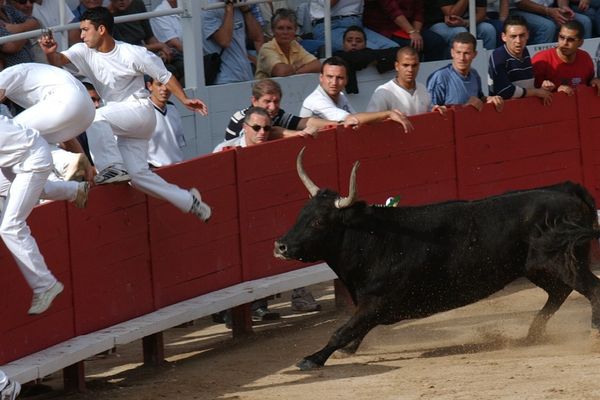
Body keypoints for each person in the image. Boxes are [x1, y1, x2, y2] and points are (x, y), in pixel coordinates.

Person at [40, 6, 212, 222]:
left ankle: (112, 168)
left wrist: (184, 99)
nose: (81, 35)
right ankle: (189, 201)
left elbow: (164, 75)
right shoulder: (82, 51)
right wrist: (49, 54)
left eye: (85, 30)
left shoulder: (132, 52)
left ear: (101, 29)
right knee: (139, 177)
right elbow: (58, 61)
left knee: (95, 117)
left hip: (141, 112)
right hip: (123, 121)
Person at [215, 106, 283, 321]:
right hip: (232, 216)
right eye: (256, 128)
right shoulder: (225, 149)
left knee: (261, 255)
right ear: (244, 128)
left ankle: (258, 305)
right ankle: (228, 310)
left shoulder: (272, 149)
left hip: (259, 214)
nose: (262, 132)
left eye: (266, 128)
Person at [0, 115, 63, 315]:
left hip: (31, 159)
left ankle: (45, 284)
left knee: (10, 226)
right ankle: (75, 189)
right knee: (34, 190)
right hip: (20, 160)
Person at [299, 56, 415, 133]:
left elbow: (356, 121)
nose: (334, 82)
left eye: (339, 78)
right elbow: (353, 119)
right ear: (321, 78)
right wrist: (388, 113)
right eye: (329, 77)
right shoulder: (316, 101)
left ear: (346, 80)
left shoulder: (340, 95)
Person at [225, 79, 335, 140]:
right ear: (254, 101)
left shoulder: (277, 115)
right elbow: (262, 135)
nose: (272, 107)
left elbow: (304, 122)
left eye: (276, 101)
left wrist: (338, 123)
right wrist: (298, 134)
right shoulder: (241, 119)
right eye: (267, 102)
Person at [108, 0, 183, 83]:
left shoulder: (138, 4)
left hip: (145, 53)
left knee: (182, 63)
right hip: (131, 60)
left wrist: (162, 50)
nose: (121, 1)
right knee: (168, 71)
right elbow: (126, 50)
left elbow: (149, 37)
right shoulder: (109, 16)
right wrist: (160, 46)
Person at [427, 32, 504, 111]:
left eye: (466, 53)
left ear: (474, 54)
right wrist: (466, 107)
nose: (462, 58)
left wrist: (490, 99)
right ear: (452, 52)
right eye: (458, 52)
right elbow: (432, 112)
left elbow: (479, 98)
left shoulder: (474, 74)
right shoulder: (440, 78)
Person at [488, 15, 553, 105]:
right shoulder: (498, 56)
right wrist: (536, 92)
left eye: (522, 35)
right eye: (513, 36)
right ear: (504, 37)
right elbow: (505, 91)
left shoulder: (525, 51)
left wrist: (542, 88)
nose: (518, 41)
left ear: (528, 35)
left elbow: (528, 86)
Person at [367, 46, 446, 115]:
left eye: (414, 65)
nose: (410, 70)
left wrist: (435, 111)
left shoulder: (422, 88)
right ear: (396, 66)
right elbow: (371, 122)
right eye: (405, 65)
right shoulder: (383, 92)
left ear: (419, 66)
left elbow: (427, 115)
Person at [202, 0, 263, 84]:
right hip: (224, 79)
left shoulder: (238, 5)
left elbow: (257, 37)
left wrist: (246, 11)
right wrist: (229, 8)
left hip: (246, 75)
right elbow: (224, 41)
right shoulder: (208, 8)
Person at [362, 0, 446, 61]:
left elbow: (419, 12)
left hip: (409, 26)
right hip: (384, 27)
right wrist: (412, 32)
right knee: (412, 46)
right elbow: (393, 11)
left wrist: (416, 32)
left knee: (436, 41)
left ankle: (430, 76)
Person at [533, 20, 600, 96]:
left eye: (570, 39)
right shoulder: (541, 59)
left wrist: (595, 81)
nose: (564, 43)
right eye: (561, 37)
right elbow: (531, 92)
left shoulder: (585, 57)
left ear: (580, 42)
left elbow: (589, 81)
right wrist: (555, 90)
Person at [255, 8, 321, 79]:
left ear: (295, 30)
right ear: (273, 30)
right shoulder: (266, 48)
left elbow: (317, 65)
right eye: (280, 28)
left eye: (289, 28)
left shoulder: (294, 44)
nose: (285, 32)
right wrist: (297, 66)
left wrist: (295, 72)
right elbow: (280, 72)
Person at [309, 0, 398, 52]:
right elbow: (329, 3)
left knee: (393, 49)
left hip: (355, 24)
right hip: (330, 26)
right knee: (371, 50)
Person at [333, 25, 399, 94]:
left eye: (358, 41)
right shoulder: (337, 55)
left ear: (365, 44)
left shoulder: (369, 53)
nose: (354, 43)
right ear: (343, 44)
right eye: (349, 41)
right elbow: (353, 58)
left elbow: (398, 52)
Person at [144, 75, 185, 168]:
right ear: (149, 86)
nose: (165, 88)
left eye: (168, 85)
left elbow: (179, 143)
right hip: (153, 171)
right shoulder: (142, 110)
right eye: (159, 84)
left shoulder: (172, 108)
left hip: (178, 167)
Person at [424, 0, 497, 51]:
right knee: (460, 33)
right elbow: (452, 15)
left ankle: (488, 67)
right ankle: (458, 68)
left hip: (466, 21)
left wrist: (466, 22)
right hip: (439, 23)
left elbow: (482, 13)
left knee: (488, 29)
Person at [512, 0, 592, 44]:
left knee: (584, 21)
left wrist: (564, 8)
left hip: (549, 9)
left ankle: (584, 61)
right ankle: (540, 64)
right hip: (520, 10)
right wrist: (548, 11)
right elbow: (520, 3)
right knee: (547, 26)